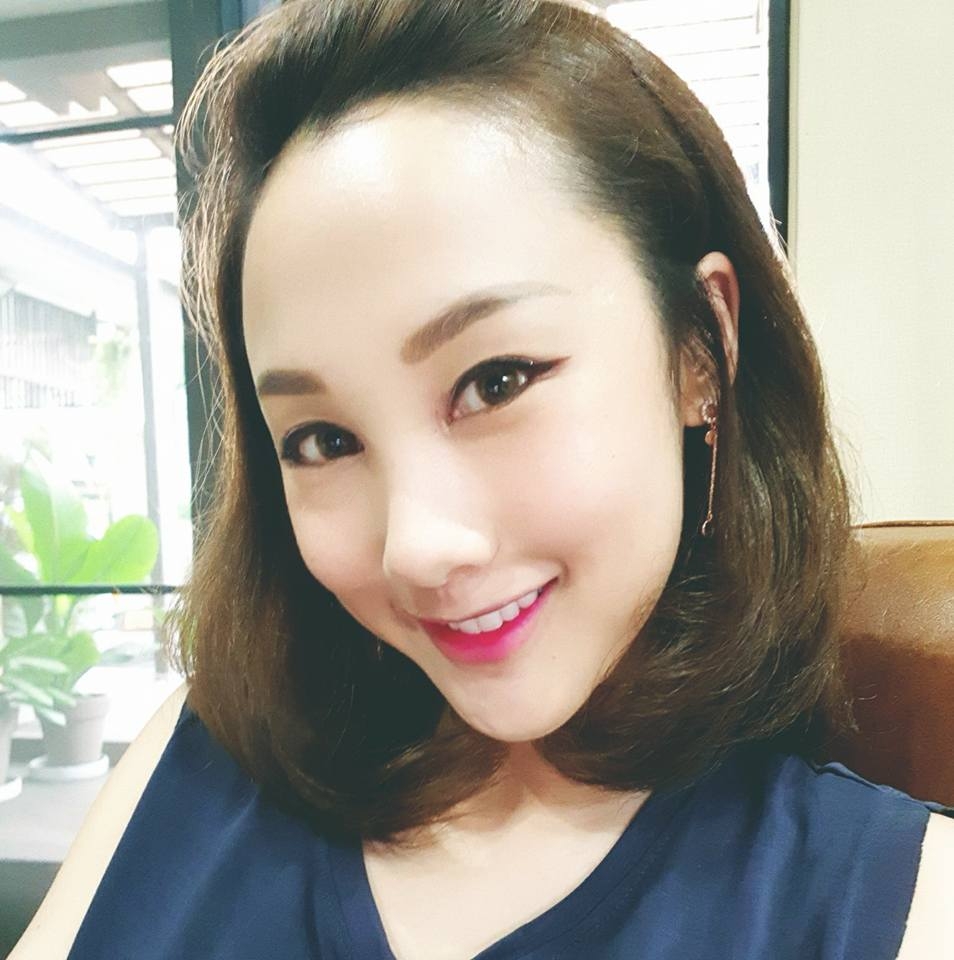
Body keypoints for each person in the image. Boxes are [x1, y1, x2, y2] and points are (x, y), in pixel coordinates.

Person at [11, 1, 954, 957]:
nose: (417, 547)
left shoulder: (895, 906)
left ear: (699, 350)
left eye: (495, 382)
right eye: (323, 440)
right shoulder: (190, 766)